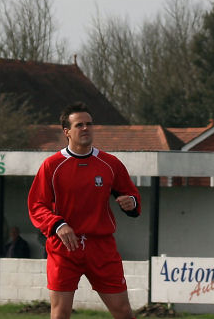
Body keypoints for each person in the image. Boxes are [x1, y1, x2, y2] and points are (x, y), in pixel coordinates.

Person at [28, 102, 142, 319]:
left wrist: (131, 203)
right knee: (60, 313)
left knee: (123, 312)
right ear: (67, 132)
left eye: (89, 124)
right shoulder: (52, 165)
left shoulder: (110, 163)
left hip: (101, 247)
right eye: (79, 125)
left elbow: (132, 196)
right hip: (64, 248)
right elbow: (37, 206)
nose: (85, 128)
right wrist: (58, 224)